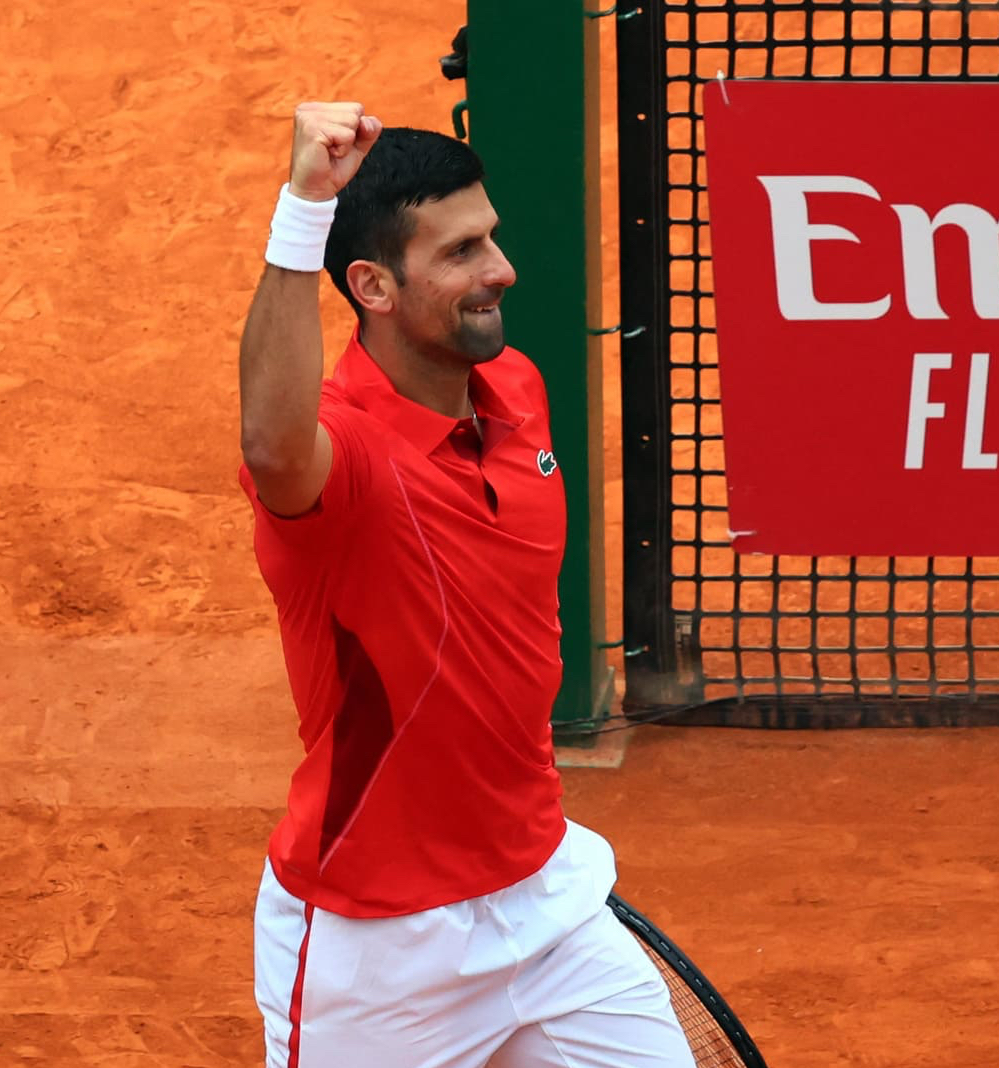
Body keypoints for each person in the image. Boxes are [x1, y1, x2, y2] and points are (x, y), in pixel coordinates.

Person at [236, 101, 695, 1068]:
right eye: (460, 252)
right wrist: (303, 208)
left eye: (489, 236)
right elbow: (272, 446)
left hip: (545, 893)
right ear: (373, 286)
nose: (501, 269)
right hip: (377, 944)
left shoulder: (516, 388)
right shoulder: (343, 459)